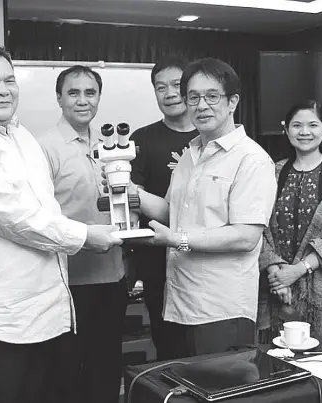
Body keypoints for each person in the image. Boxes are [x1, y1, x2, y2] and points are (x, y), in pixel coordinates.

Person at [0, 42, 122, 403]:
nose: (3, 90)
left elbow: (45, 209)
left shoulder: (21, 135)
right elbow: (16, 219)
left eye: (9, 80)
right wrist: (84, 236)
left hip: (48, 317)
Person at [133, 57, 277, 358]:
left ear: (232, 101)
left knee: (219, 390)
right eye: (194, 97)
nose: (202, 105)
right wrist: (128, 191)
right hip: (179, 304)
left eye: (212, 96)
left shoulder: (251, 159)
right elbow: (171, 210)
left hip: (220, 309)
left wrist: (177, 239)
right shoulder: (190, 155)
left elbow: (245, 236)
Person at [36, 65, 126, 403]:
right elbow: (40, 216)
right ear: (59, 98)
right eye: (74, 93)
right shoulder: (43, 147)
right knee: (67, 371)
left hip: (112, 275)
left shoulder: (110, 145)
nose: (82, 100)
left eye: (90, 93)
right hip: (67, 282)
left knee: (106, 367)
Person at [258, 100, 322, 340]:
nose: (304, 132)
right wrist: (276, 272)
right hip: (275, 286)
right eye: (297, 125)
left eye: (313, 125)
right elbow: (258, 227)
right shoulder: (272, 171)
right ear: (286, 130)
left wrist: (299, 269)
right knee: (278, 358)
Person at [128, 56, 198, 360]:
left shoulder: (210, 136)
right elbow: (133, 197)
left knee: (205, 345)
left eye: (176, 85)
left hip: (207, 256)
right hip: (158, 258)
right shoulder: (141, 139)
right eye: (160, 87)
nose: (169, 93)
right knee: (167, 342)